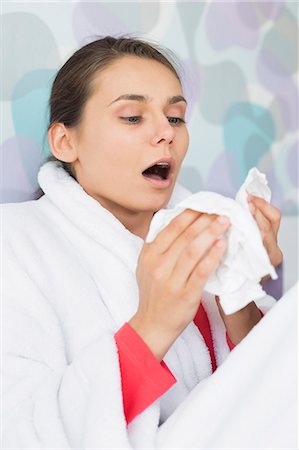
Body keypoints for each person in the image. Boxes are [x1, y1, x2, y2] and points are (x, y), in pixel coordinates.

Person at [2, 36, 283, 449]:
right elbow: (21, 429)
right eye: (132, 117)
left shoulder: (208, 228)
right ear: (65, 142)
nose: (164, 133)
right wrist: (154, 325)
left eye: (175, 117)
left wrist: (238, 286)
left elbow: (267, 400)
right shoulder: (14, 241)